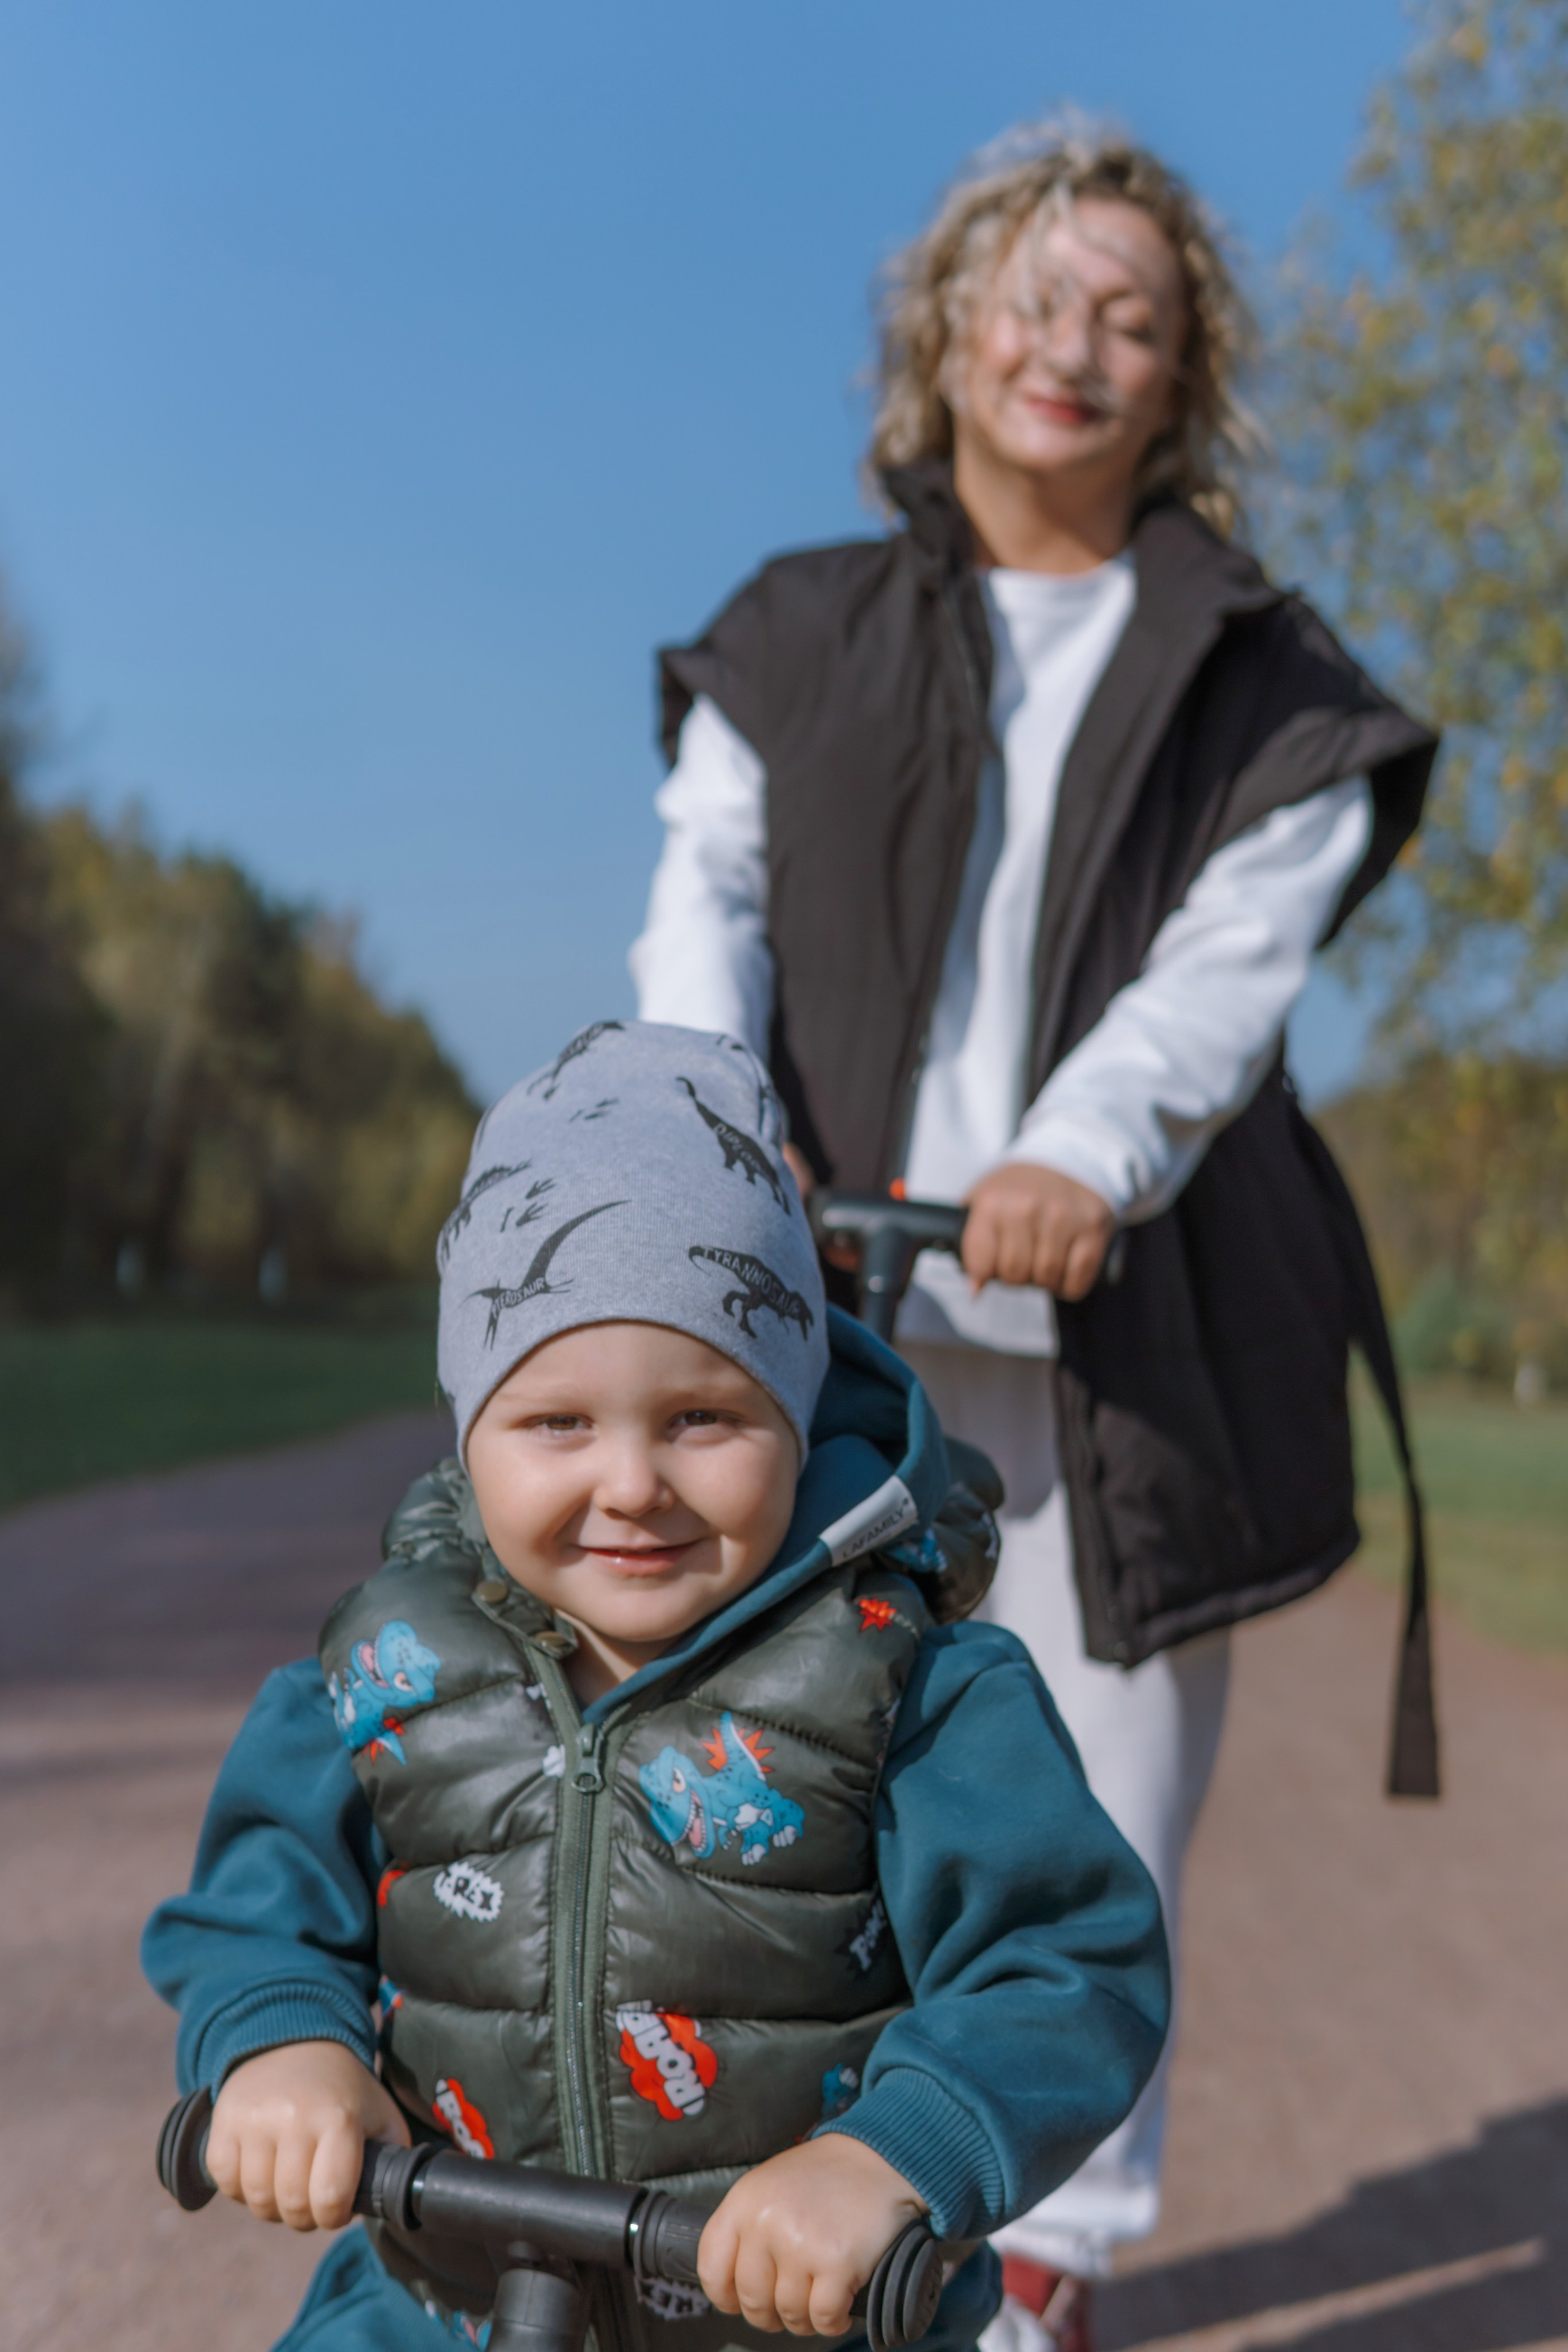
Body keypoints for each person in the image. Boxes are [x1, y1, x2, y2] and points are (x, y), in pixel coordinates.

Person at [629, 123, 1439, 2348]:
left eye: (1133, 317)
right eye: (1037, 296)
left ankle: (1043, 2257)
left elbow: (1229, 964)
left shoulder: (1254, 665)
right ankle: (745, 2189)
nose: (1074, 345)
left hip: (1129, 1302)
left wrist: (1080, 1152)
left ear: (1184, 379)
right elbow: (706, 899)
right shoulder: (797, 631)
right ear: (949, 330)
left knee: (1088, 1793)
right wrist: (712, 1138)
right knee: (772, 1755)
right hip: (820, 1284)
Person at [143, 1021, 1169, 2352]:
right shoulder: (381, 1668)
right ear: (470, 1436)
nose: (630, 1482)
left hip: (797, 2322)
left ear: (795, 1420)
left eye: (701, 1418)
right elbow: (254, 1900)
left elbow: (1065, 1959)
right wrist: (280, 2042)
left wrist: (888, 2161)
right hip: (438, 2303)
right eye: (556, 1422)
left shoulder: (905, 1684)